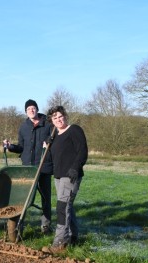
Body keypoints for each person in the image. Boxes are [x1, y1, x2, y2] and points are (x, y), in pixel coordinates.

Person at [2, 99, 54, 234]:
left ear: (37, 109)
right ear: (26, 112)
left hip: (43, 167)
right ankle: (19, 226)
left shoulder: (47, 123)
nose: (31, 110)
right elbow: (21, 147)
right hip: (27, 169)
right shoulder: (23, 127)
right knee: (23, 199)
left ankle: (46, 226)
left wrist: (48, 141)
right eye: (28, 109)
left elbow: (55, 137)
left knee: (45, 198)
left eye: (33, 108)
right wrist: (10, 147)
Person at [42, 105, 88, 254]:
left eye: (60, 116)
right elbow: (52, 158)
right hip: (58, 176)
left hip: (71, 175)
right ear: (52, 121)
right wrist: (47, 145)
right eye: (55, 118)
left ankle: (59, 243)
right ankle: (73, 236)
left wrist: (75, 167)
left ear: (65, 116)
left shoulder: (74, 130)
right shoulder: (55, 136)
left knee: (62, 207)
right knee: (68, 206)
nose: (58, 120)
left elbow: (82, 150)